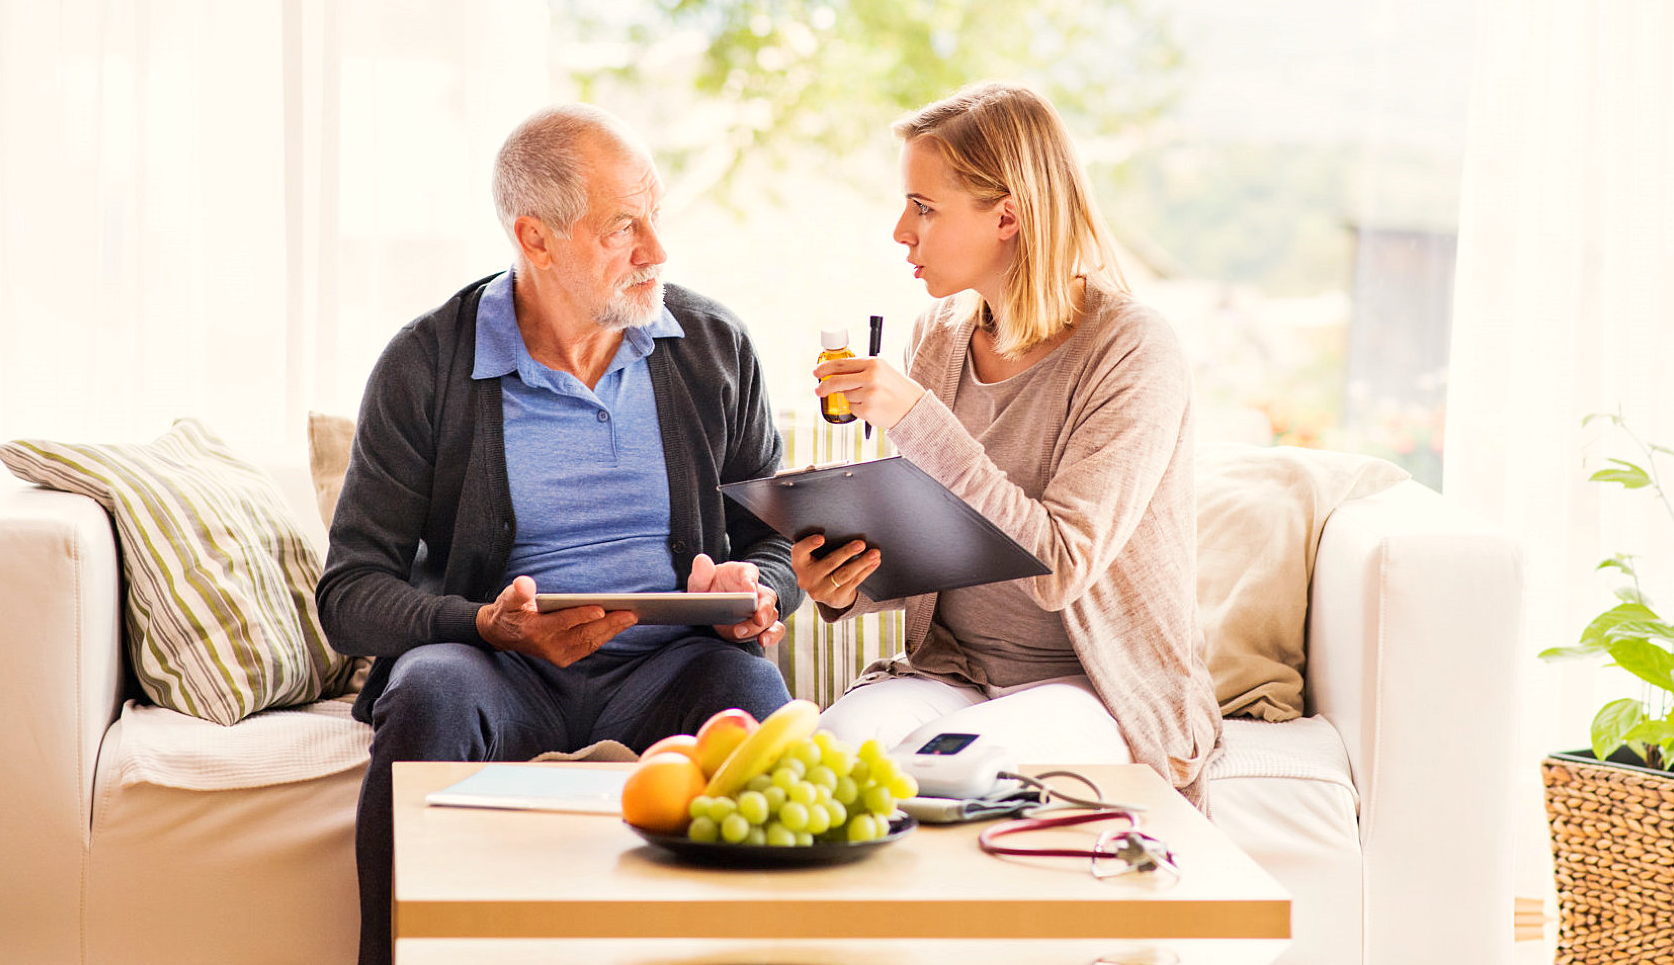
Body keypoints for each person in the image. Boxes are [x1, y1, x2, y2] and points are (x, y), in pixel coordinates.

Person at [317, 103, 802, 964]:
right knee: (427, 692)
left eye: (656, 214)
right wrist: (484, 624)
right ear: (535, 240)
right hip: (499, 672)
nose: (656, 248)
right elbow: (350, 593)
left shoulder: (714, 347)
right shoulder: (426, 363)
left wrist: (755, 594)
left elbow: (774, 545)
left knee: (754, 708)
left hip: (672, 666)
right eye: (623, 226)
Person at [793, 83, 1221, 803]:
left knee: (930, 773)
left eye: (924, 207)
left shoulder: (1131, 350)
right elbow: (940, 536)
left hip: (1096, 686)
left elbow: (1061, 565)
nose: (902, 230)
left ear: (1009, 216)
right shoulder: (939, 336)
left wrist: (918, 417)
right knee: (827, 758)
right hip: (955, 672)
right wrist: (847, 581)